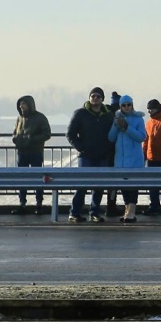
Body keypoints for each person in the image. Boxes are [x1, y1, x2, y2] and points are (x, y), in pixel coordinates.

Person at [66, 87, 115, 223]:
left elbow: (112, 134)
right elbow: (70, 134)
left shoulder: (108, 115)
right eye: (93, 96)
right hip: (86, 156)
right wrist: (81, 148)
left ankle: (94, 213)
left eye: (98, 96)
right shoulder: (81, 113)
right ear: (89, 98)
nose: (95, 98)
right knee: (82, 185)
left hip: (102, 155)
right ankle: (74, 213)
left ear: (102, 99)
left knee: (99, 186)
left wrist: (108, 149)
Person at [108, 96, 146, 223]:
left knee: (133, 187)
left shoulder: (138, 119)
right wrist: (116, 126)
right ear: (120, 106)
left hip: (135, 159)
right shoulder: (117, 118)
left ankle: (131, 212)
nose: (126, 107)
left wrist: (127, 127)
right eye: (124, 105)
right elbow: (111, 138)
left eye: (129, 104)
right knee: (124, 187)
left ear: (132, 105)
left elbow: (141, 137)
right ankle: (127, 211)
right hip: (120, 160)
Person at [11, 96, 51, 213]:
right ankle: (22, 203)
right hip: (22, 152)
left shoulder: (40, 117)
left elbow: (47, 134)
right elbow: (15, 132)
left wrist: (32, 139)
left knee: (38, 178)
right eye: (20, 104)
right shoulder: (20, 118)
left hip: (35, 152)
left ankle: (39, 204)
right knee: (22, 178)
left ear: (30, 105)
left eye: (23, 104)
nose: (21, 106)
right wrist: (15, 139)